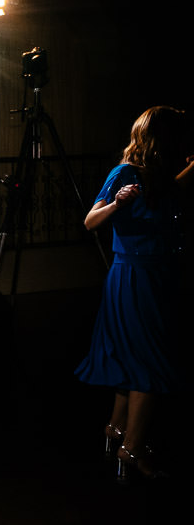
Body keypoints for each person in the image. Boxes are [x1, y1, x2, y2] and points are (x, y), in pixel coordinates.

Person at [75, 106, 193, 480]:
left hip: (155, 276)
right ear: (161, 139)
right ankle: (132, 449)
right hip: (135, 278)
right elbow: (90, 221)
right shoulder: (124, 173)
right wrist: (117, 203)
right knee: (151, 364)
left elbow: (174, 188)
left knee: (135, 360)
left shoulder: (158, 178)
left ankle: (117, 432)